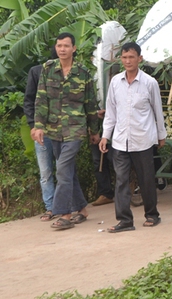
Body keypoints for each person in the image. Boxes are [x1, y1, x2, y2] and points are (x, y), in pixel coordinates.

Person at [33, 32, 101, 230]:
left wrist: (94, 131)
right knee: (68, 171)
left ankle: (64, 213)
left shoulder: (83, 73)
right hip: (54, 130)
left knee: (62, 168)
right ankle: (81, 209)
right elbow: (41, 99)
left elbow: (90, 104)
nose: (62, 49)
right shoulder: (48, 69)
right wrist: (38, 126)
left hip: (75, 129)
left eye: (66, 46)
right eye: (59, 45)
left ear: (74, 49)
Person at [98, 42, 167, 233]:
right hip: (120, 140)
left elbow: (157, 111)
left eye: (131, 57)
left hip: (143, 139)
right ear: (121, 59)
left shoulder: (149, 83)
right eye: (125, 57)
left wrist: (161, 136)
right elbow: (111, 112)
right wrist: (106, 136)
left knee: (146, 179)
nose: (128, 61)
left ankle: (152, 214)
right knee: (121, 180)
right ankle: (125, 220)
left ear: (139, 59)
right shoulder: (115, 82)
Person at [23, 50, 57, 221]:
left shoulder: (72, 74)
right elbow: (29, 101)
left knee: (65, 170)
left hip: (63, 130)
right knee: (45, 171)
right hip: (41, 129)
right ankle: (50, 207)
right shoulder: (37, 72)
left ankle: (67, 206)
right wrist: (32, 125)